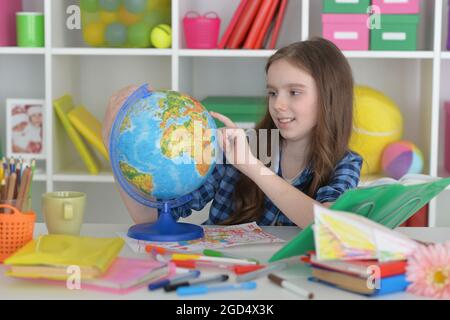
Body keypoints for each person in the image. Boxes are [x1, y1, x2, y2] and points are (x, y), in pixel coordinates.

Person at [103, 37, 363, 228]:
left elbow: (330, 227)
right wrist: (112, 145)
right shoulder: (242, 147)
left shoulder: (345, 163)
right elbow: (150, 217)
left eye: (294, 92)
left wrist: (253, 167)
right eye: (272, 92)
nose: (278, 104)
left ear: (329, 98)